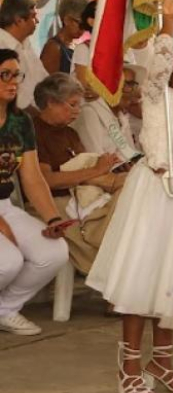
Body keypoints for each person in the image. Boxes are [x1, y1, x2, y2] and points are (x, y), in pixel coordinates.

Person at [85, 0, 173, 393]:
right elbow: (160, 63)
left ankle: (161, 363)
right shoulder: (155, 94)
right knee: (142, 280)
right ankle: (129, 368)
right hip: (154, 196)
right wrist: (168, 25)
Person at [0, 52, 74, 336]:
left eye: (16, 75)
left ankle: (5, 310)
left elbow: (31, 176)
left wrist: (53, 219)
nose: (13, 82)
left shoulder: (20, 122)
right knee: (8, 262)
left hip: (4, 204)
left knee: (53, 252)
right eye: (4, 75)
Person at [26, 73, 126, 274]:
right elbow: (47, 180)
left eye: (79, 105)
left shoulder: (70, 133)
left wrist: (105, 167)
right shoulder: (34, 131)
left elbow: (86, 166)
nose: (77, 111)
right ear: (51, 102)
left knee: (133, 188)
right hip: (54, 200)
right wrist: (96, 170)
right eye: (72, 105)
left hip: (84, 193)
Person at [75, 65, 143, 162]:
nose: (131, 92)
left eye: (132, 85)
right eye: (124, 84)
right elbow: (96, 160)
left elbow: (131, 153)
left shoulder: (121, 116)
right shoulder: (90, 112)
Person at [0, 0, 48, 110]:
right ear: (19, 20)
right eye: (33, 16)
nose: (37, 21)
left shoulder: (25, 43)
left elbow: (43, 79)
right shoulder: (2, 46)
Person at [40, 0, 88, 75]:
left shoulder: (74, 46)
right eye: (81, 24)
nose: (84, 29)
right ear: (67, 20)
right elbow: (47, 81)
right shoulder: (54, 48)